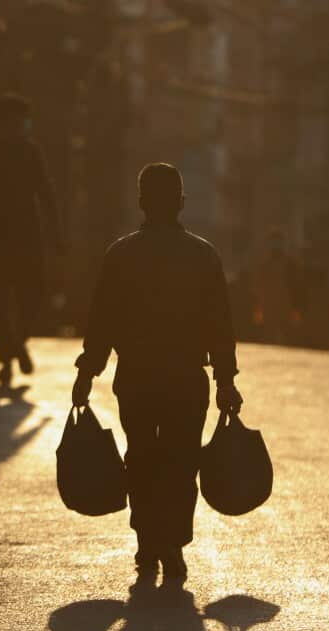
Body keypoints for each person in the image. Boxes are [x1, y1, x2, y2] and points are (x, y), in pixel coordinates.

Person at [71, 163, 244, 588]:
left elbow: (102, 323)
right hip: (187, 379)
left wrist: (88, 372)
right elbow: (220, 325)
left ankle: (148, 543)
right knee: (182, 463)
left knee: (143, 458)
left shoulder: (122, 254)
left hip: (137, 378)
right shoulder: (203, 255)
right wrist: (225, 380)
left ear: (142, 203)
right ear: (182, 203)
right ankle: (173, 546)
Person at [0, 93, 63, 385]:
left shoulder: (30, 153)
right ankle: (8, 355)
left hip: (22, 237)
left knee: (31, 296)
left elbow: (46, 193)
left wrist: (55, 234)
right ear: (5, 122)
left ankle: (15, 345)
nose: (22, 126)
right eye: (19, 120)